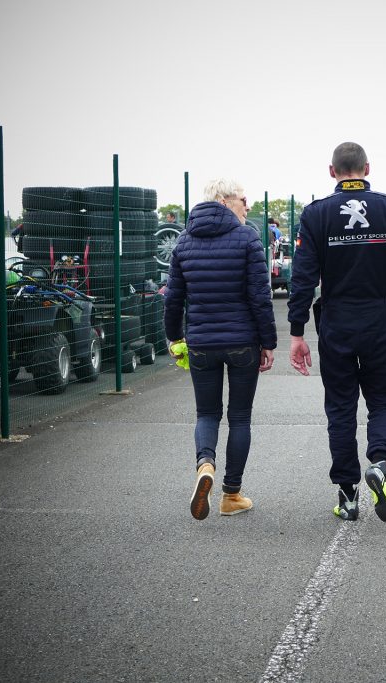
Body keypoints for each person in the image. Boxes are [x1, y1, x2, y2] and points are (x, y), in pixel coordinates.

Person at [287, 142, 386, 523]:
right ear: (368, 168)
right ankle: (380, 463)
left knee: (341, 409)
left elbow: (301, 279)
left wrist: (296, 332)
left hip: (336, 322)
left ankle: (347, 496)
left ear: (331, 172)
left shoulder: (315, 215)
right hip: (379, 319)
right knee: (383, 400)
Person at [164, 178, 276, 521]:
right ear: (225, 200)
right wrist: (268, 342)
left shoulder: (183, 241)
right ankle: (231, 495)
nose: (248, 204)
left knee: (206, 414)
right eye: (243, 198)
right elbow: (260, 296)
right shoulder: (247, 238)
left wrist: (173, 338)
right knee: (239, 416)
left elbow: (173, 299)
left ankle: (205, 465)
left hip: (200, 343)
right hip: (242, 342)